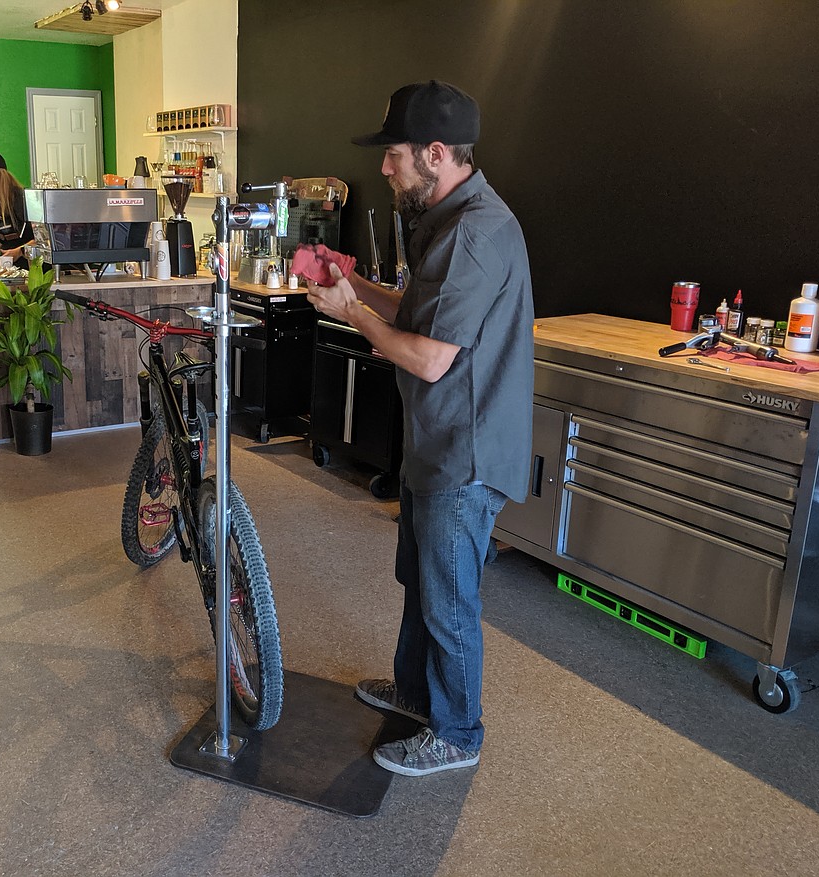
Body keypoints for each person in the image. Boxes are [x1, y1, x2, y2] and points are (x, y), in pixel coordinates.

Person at [303, 80, 534, 776]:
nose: (384, 167)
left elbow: (430, 357)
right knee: (421, 579)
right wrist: (356, 283)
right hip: (435, 441)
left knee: (449, 597)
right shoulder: (444, 216)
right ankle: (412, 694)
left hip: (463, 452)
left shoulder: (475, 233)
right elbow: (421, 310)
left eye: (394, 154)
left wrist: (352, 314)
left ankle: (458, 733)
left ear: (436, 153)